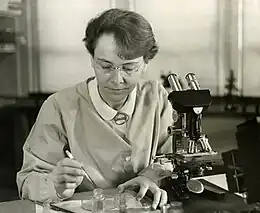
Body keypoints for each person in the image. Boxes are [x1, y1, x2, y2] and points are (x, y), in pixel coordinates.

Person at [16, 8, 174, 210]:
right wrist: (54, 185)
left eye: (128, 68)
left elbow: (172, 159)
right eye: (106, 66)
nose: (117, 80)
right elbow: (27, 181)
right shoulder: (59, 107)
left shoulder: (156, 98)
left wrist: (150, 177)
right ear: (91, 59)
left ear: (145, 63)